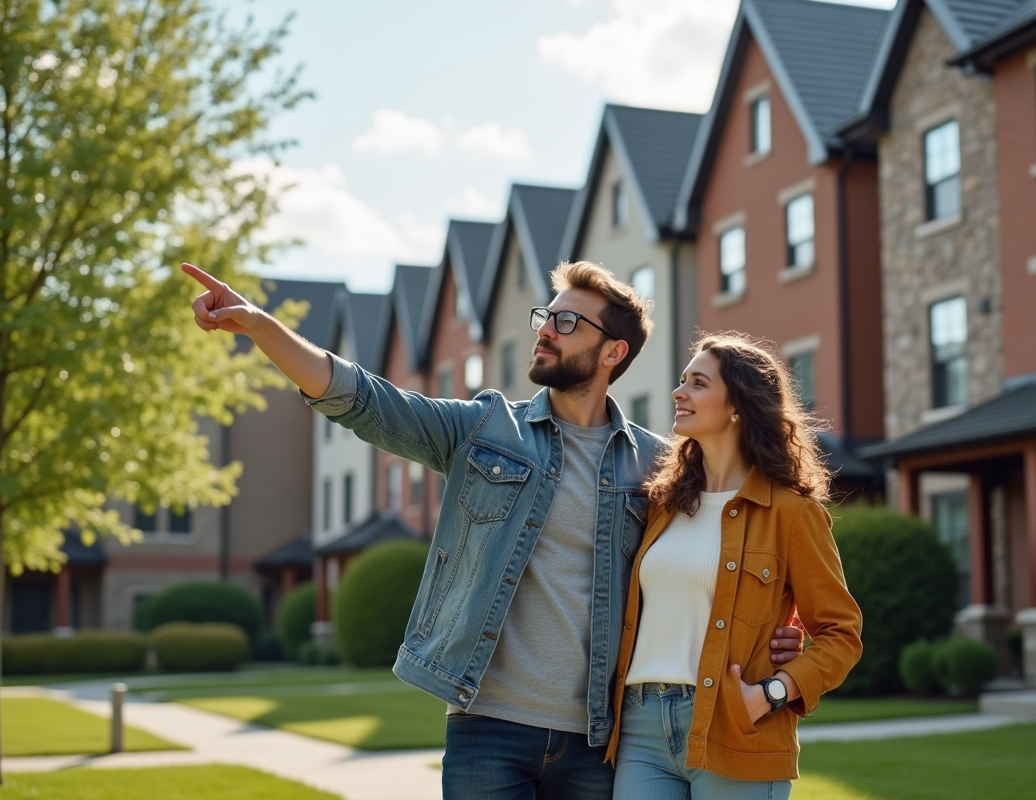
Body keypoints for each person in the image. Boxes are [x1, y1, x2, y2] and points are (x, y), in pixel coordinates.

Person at [182, 261, 803, 800]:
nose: (544, 330)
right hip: (488, 724)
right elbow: (366, 401)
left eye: (566, 323)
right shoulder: (486, 429)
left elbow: (713, 563)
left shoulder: (658, 467)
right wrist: (261, 326)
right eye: (545, 317)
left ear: (612, 352)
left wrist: (774, 640)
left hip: (598, 736)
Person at [606, 332, 863, 799]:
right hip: (640, 728)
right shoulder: (662, 504)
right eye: (683, 381)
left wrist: (774, 693)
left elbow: (842, 633)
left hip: (738, 727)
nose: (678, 392)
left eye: (698, 383)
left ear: (737, 407)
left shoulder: (791, 512)